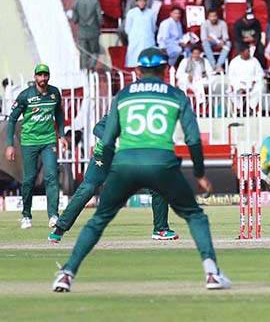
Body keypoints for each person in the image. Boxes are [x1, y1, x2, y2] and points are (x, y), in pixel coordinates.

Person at [52, 48, 232, 292]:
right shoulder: (176, 94)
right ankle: (212, 274)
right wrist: (200, 174)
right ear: (165, 70)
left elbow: (106, 139)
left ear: (137, 71)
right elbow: (192, 139)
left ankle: (66, 273)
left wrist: (106, 167)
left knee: (99, 220)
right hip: (161, 163)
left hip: (124, 164)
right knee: (195, 216)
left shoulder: (124, 95)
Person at [48, 114, 179, 244]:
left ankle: (160, 230)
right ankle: (60, 229)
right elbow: (97, 128)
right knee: (88, 188)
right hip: (103, 158)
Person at [6, 63, 67, 230]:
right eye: (40, 75)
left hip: (48, 140)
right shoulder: (25, 96)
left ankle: (53, 215)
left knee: (52, 176)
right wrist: (9, 145)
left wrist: (61, 134)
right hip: (29, 142)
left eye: (45, 75)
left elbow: (59, 114)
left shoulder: (55, 93)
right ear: (35, 78)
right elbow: (11, 119)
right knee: (29, 179)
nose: (43, 78)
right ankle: (26, 215)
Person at [72, 0, 103, 71]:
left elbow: (74, 20)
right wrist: (100, 24)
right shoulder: (95, 2)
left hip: (82, 32)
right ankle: (92, 68)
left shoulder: (76, 3)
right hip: (93, 31)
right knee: (95, 51)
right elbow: (100, 18)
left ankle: (84, 71)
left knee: (83, 53)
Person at [228, 46, 265, 113]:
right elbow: (231, 76)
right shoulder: (234, 62)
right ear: (241, 53)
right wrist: (241, 86)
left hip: (252, 83)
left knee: (261, 86)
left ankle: (251, 106)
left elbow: (260, 73)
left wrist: (254, 81)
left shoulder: (254, 60)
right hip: (239, 84)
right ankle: (239, 107)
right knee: (230, 90)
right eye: (247, 52)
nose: (249, 54)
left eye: (249, 52)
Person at [124, 0, 158, 67]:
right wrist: (133, 36)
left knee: (148, 59)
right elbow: (127, 28)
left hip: (148, 39)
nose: (141, 3)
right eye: (140, 1)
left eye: (143, 1)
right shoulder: (131, 13)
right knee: (134, 58)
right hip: (135, 39)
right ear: (136, 2)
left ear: (146, 2)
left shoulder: (151, 13)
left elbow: (153, 27)